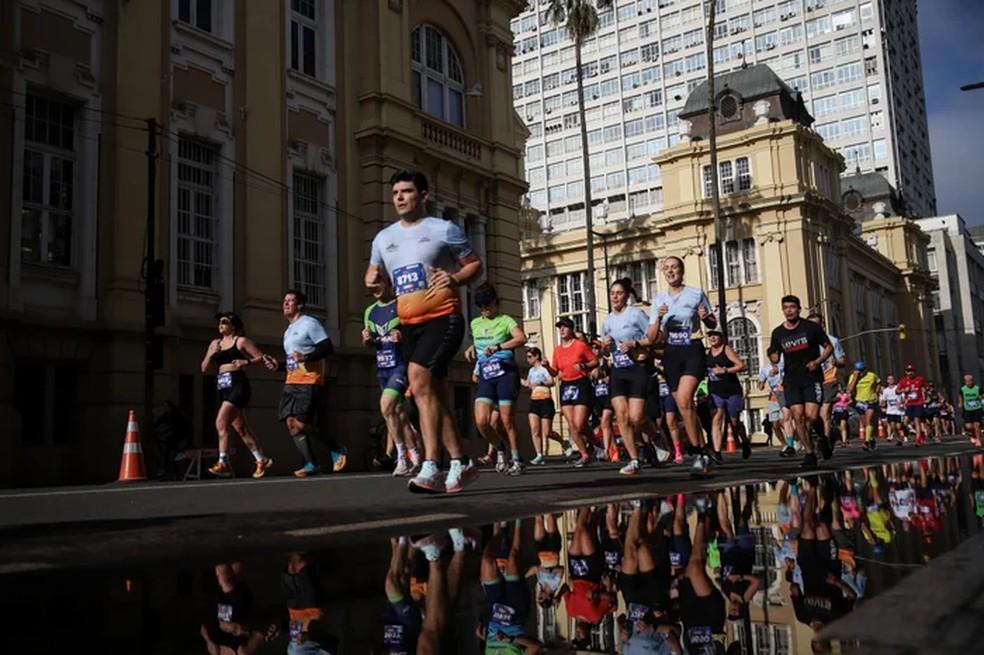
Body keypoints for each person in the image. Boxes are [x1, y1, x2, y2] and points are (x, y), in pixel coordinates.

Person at [365, 170, 483, 494]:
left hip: (443, 318)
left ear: (424, 195)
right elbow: (380, 284)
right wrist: (375, 283)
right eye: (396, 193)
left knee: (418, 379)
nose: (400, 197)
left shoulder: (443, 229)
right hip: (408, 325)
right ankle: (460, 460)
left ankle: (431, 465)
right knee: (435, 394)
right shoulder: (383, 239)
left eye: (406, 191)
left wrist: (455, 278)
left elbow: (475, 264)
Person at [645, 256, 718, 476]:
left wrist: (706, 318)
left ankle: (697, 452)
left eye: (674, 267)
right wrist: (658, 318)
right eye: (666, 268)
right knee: (685, 407)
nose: (670, 271)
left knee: (686, 400)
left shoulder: (695, 293)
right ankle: (703, 451)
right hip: (671, 354)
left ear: (681, 270)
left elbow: (713, 324)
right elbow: (650, 337)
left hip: (692, 348)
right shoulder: (659, 300)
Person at [267, 291, 338, 477]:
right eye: (284, 301)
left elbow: (327, 348)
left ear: (300, 305)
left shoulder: (310, 323)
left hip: (309, 381)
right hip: (291, 380)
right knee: (290, 424)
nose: (286, 304)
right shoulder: (288, 330)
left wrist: (306, 356)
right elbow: (294, 360)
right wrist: (279, 366)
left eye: (291, 301)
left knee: (299, 423)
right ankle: (311, 464)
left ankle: (335, 447)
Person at [201, 312, 274, 479]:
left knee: (220, 422)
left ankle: (223, 462)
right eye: (219, 322)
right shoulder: (215, 343)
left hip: (238, 384)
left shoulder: (240, 341)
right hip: (222, 385)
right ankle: (261, 459)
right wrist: (210, 354)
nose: (220, 324)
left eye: (225, 322)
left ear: (233, 326)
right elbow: (204, 368)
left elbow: (261, 357)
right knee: (241, 429)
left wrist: (245, 362)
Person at [362, 277, 421, 477]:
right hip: (383, 367)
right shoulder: (370, 311)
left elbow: (416, 335)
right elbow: (369, 342)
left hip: (400, 365)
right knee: (397, 412)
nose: (374, 288)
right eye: (372, 286)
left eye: (379, 284)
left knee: (386, 405)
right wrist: (367, 340)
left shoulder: (401, 305)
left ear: (389, 285)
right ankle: (415, 454)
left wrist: (403, 337)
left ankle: (401, 457)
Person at [469, 283, 528, 476]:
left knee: (506, 420)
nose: (485, 310)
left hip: (505, 373)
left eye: (488, 306)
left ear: (495, 302)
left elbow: (521, 338)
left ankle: (517, 459)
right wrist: (471, 349)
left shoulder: (506, 320)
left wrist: (499, 346)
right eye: (482, 307)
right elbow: (477, 345)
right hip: (486, 375)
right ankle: (499, 447)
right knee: (482, 421)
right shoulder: (476, 323)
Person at [768, 295, 834, 469]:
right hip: (791, 380)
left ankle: (823, 438)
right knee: (798, 417)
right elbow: (773, 353)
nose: (789, 310)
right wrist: (773, 357)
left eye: (792, 307)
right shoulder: (778, 333)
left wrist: (817, 362)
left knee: (812, 416)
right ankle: (809, 453)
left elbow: (828, 347)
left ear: (798, 309)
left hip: (812, 378)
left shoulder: (811, 328)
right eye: (786, 307)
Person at [602, 278, 654, 476]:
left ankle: (655, 435)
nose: (615, 297)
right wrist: (605, 348)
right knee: (621, 416)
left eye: (619, 293)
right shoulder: (607, 321)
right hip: (618, 371)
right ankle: (634, 460)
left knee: (636, 417)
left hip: (637, 367)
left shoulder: (636, 314)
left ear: (626, 295)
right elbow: (605, 353)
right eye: (612, 293)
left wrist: (635, 344)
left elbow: (653, 337)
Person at [478, 522, 543, 654]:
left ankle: (501, 532)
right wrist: (511, 639)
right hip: (515, 613)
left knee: (487, 560)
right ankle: (518, 521)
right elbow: (535, 646)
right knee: (513, 558)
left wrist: (482, 636)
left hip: (494, 612)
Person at [544, 317, 599, 467]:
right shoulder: (558, 350)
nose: (561, 330)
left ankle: (596, 443)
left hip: (580, 383)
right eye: (559, 327)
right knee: (573, 426)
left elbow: (595, 361)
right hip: (566, 385)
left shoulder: (580, 345)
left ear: (571, 329)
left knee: (579, 424)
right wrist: (547, 366)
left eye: (564, 327)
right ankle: (585, 454)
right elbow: (555, 372)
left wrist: (584, 366)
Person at [705, 329, 750, 461]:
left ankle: (745, 441)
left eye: (715, 335)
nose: (712, 338)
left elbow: (742, 366)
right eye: (710, 336)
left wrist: (724, 370)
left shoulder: (726, 349)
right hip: (715, 390)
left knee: (734, 422)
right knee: (716, 419)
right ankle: (717, 452)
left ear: (721, 337)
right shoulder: (707, 353)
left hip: (732, 390)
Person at [808, 312, 847, 445]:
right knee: (812, 416)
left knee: (824, 412)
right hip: (811, 381)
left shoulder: (832, 341)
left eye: (816, 325)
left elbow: (843, 361)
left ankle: (824, 443)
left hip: (828, 380)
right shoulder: (805, 342)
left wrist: (835, 362)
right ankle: (826, 436)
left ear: (822, 325)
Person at [521, 348, 564, 464]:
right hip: (534, 401)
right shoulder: (531, 371)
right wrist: (524, 383)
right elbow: (530, 385)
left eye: (530, 356)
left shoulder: (543, 369)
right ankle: (539, 454)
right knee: (534, 430)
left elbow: (551, 382)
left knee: (547, 431)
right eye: (527, 357)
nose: (528, 359)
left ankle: (563, 442)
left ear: (536, 357)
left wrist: (540, 383)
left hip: (545, 400)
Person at [758, 357, 795, 456]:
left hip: (784, 393)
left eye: (777, 354)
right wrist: (761, 384)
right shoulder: (765, 368)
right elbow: (760, 384)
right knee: (775, 424)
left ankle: (791, 443)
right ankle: (785, 445)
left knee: (785, 420)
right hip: (773, 396)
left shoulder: (783, 363)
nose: (775, 357)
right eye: (773, 355)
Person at [153, 400, 191, 480]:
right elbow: (157, 424)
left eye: (167, 407)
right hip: (168, 440)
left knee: (174, 457)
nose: (166, 408)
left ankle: (174, 473)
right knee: (166, 456)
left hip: (176, 440)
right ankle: (168, 472)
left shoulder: (176, 416)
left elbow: (183, 429)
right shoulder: (166, 416)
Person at [590, 342, 616, 461]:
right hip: (597, 397)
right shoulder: (590, 364)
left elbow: (615, 374)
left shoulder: (607, 362)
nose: (594, 350)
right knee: (607, 425)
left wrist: (609, 378)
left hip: (608, 395)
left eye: (596, 348)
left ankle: (606, 450)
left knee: (605, 422)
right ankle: (613, 450)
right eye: (592, 348)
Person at [847, 361, 880, 451]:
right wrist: (855, 377)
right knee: (865, 423)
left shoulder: (871, 375)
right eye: (858, 371)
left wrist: (876, 393)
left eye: (861, 371)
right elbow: (849, 389)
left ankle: (866, 442)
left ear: (865, 370)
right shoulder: (853, 376)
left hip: (870, 400)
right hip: (859, 402)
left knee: (869, 420)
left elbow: (878, 382)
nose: (860, 373)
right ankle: (871, 439)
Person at [896, 363, 929, 446]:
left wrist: (925, 392)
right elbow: (897, 391)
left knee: (916, 420)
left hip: (918, 403)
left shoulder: (920, 379)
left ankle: (918, 440)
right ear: (905, 372)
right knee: (905, 422)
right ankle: (911, 431)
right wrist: (904, 390)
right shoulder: (903, 381)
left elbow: (927, 387)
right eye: (908, 371)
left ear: (914, 372)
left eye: (911, 371)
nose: (910, 373)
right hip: (909, 404)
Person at [879, 375, 906, 444]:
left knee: (898, 427)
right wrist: (882, 404)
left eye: (892, 379)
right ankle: (898, 439)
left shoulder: (898, 388)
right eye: (889, 379)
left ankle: (905, 430)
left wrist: (901, 402)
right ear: (887, 381)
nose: (890, 380)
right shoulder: (885, 390)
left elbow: (903, 398)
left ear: (894, 380)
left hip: (899, 411)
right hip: (890, 411)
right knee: (892, 426)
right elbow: (883, 400)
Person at [959, 374, 983, 447]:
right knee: (969, 426)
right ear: (965, 382)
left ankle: (978, 440)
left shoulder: (977, 388)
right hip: (967, 409)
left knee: (977, 425)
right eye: (967, 381)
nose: (969, 383)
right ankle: (973, 435)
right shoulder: (962, 389)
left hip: (977, 408)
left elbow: (982, 396)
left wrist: (980, 397)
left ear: (973, 381)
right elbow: (960, 396)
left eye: (970, 381)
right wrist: (960, 403)